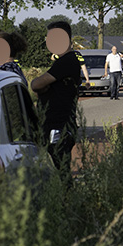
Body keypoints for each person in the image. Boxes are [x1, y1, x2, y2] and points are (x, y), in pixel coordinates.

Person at [30, 21, 82, 175]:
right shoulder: (64, 61)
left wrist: (43, 86)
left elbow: (36, 84)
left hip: (59, 124)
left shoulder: (67, 61)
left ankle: (64, 197)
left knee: (59, 169)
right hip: (57, 122)